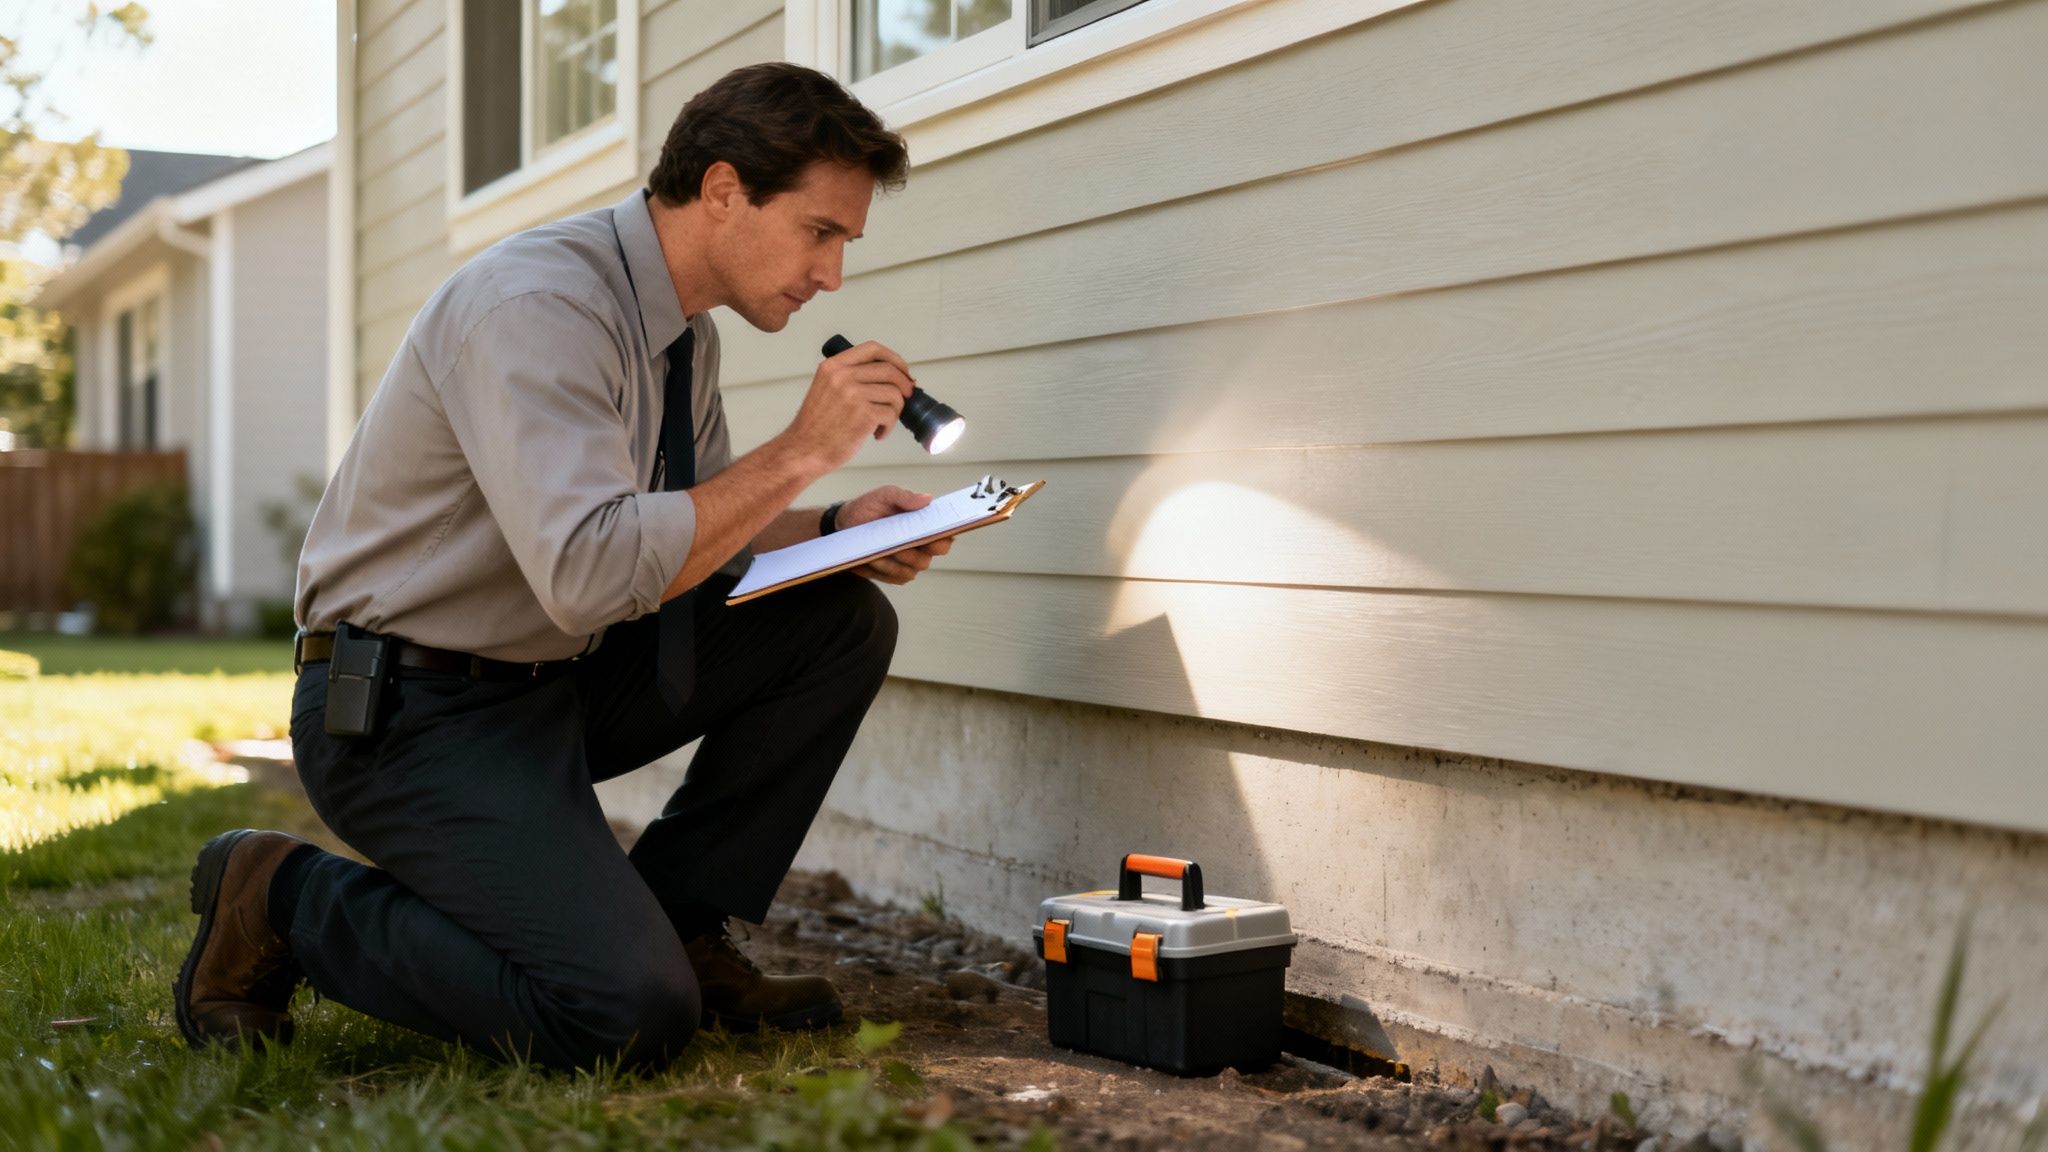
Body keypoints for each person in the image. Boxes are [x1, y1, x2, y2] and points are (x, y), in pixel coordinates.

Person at [172, 63, 949, 1070]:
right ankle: (281, 896)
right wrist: (804, 446)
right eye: (820, 231)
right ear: (723, 191)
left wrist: (840, 520)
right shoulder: (536, 305)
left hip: (550, 687)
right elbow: (591, 574)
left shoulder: (682, 339)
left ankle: (681, 923)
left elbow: (694, 526)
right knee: (619, 1014)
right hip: (407, 710)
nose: (832, 272)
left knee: (837, 620)